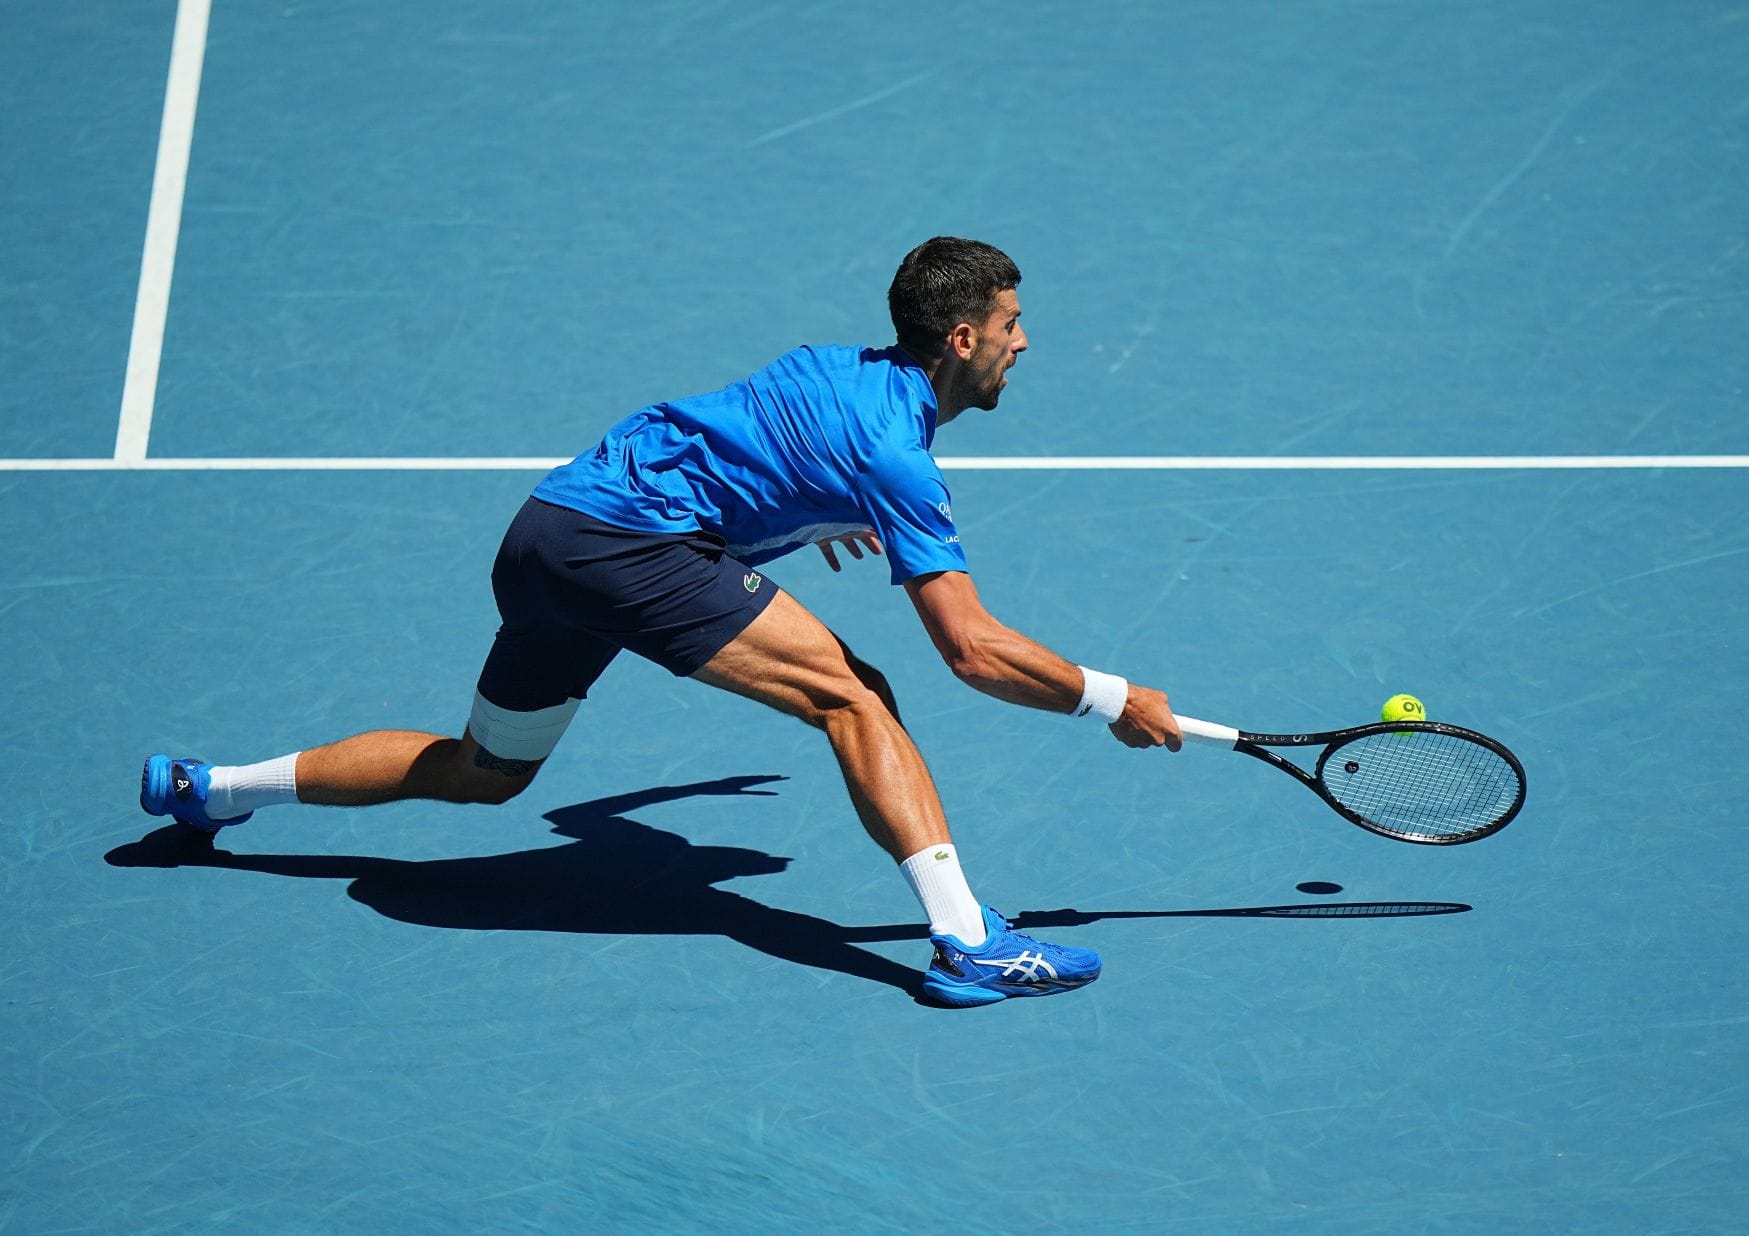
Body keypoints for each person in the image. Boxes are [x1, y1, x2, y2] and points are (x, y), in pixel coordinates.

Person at [140, 236, 1184, 1008]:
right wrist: (1114, 697)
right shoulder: (896, 457)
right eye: (1009, 325)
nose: (1022, 341)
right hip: (629, 551)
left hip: (546, 531)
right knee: (855, 695)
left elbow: (749, 454)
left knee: (485, 771)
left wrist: (819, 503)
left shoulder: (828, 368)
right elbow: (970, 647)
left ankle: (209, 789)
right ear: (963, 337)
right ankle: (968, 943)